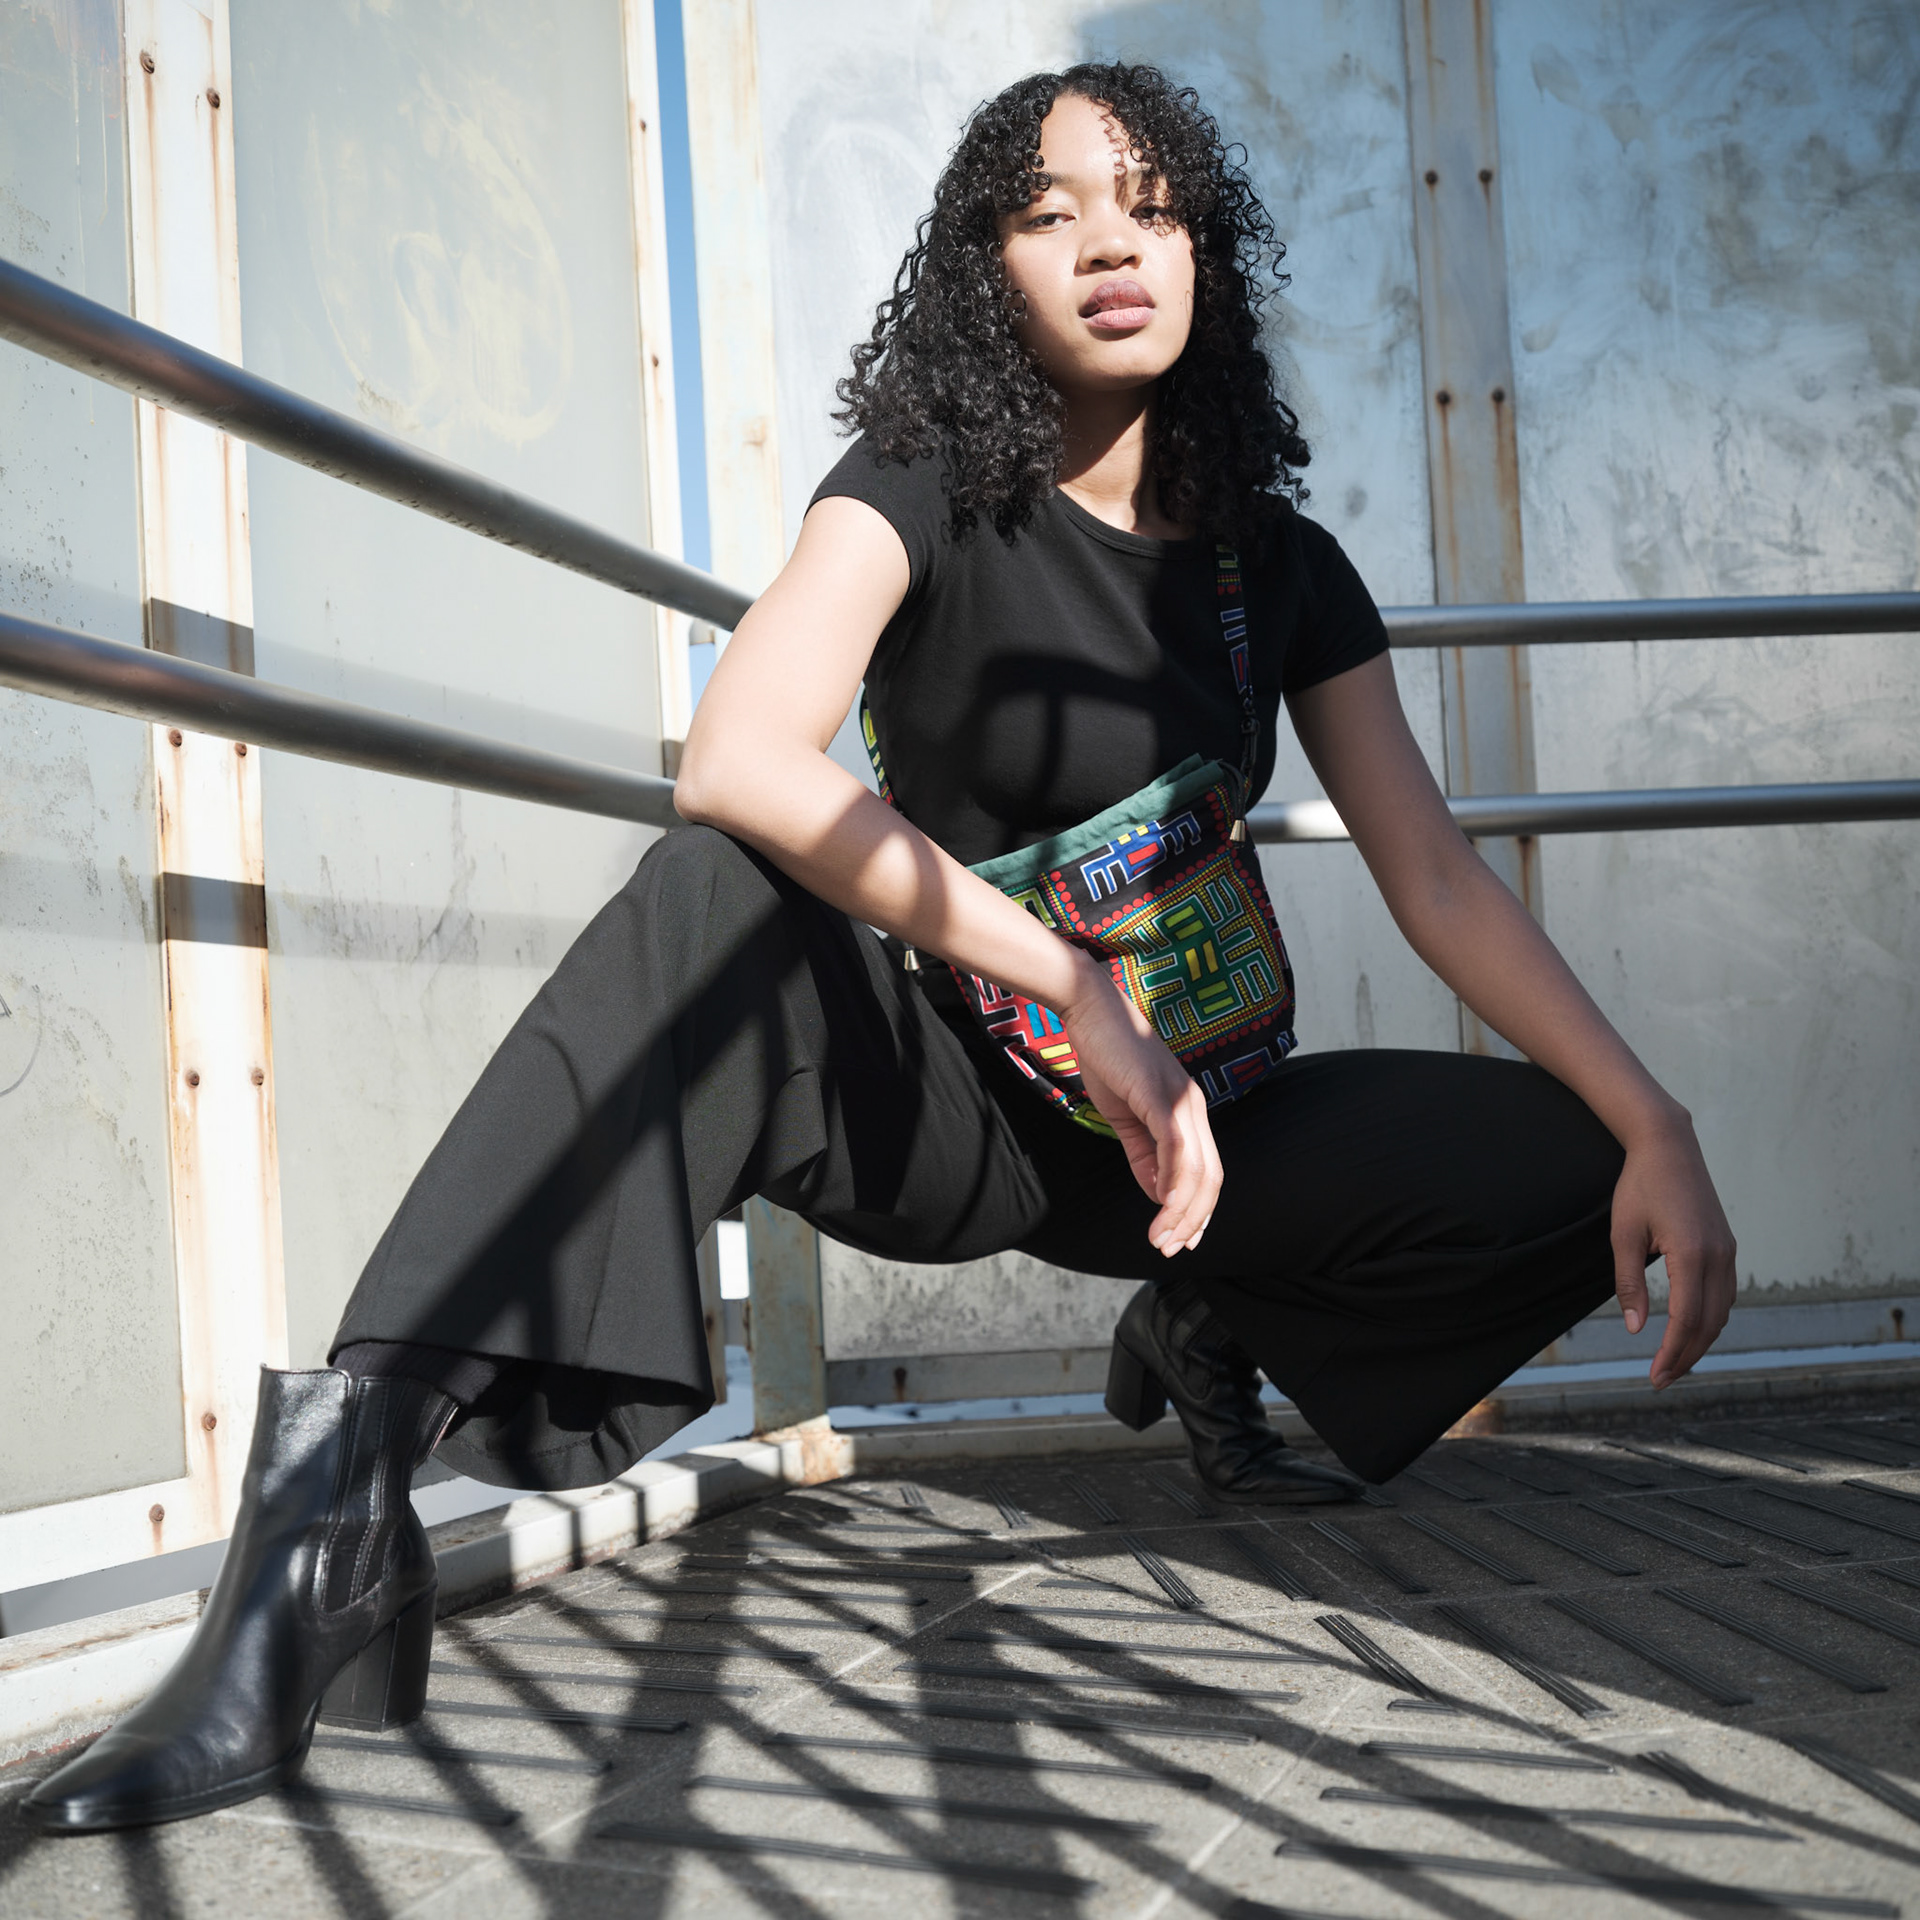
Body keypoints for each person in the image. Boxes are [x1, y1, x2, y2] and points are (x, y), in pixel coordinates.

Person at [26, 62, 1736, 1834]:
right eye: (1049, 209)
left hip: (1201, 1138)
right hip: (969, 1107)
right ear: (982, 265)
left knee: (1574, 1153)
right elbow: (741, 756)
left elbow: (1436, 880)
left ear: (1205, 254)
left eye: (1149, 205)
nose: (1107, 243)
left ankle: (1206, 1316)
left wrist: (1661, 1124)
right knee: (709, 891)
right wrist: (1071, 982)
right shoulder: (916, 488)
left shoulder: (1278, 565)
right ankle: (327, 1541)